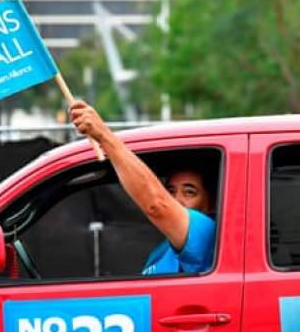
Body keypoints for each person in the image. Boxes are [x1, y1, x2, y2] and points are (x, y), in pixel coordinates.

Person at [69, 100, 216, 275]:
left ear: (212, 204)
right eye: (170, 191)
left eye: (189, 192)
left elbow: (157, 205)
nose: (176, 199)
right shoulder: (162, 251)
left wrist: (103, 135)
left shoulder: (206, 233)